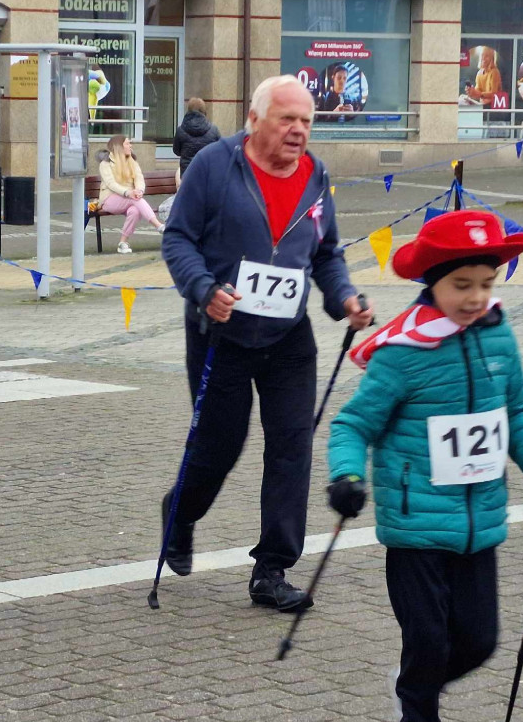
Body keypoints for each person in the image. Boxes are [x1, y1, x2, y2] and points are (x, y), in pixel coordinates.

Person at [325, 210, 523, 722]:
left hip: (479, 526)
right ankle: (417, 707)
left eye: (485, 283)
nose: (475, 297)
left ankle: (412, 688)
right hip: (415, 528)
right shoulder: (403, 353)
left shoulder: (499, 337)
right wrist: (347, 477)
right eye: (461, 284)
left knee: (479, 641)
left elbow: (516, 419)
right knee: (428, 639)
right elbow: (352, 425)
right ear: (432, 282)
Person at [160, 75, 374, 612]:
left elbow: (326, 252)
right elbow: (177, 237)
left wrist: (344, 298)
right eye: (288, 119)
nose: (299, 130)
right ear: (255, 121)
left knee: (291, 445)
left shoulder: (315, 175)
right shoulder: (214, 165)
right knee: (219, 446)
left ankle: (272, 569)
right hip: (221, 329)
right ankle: (180, 514)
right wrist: (204, 289)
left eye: (306, 120)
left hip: (288, 335)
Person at [96, 135, 164, 254]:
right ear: (119, 147)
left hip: (129, 197)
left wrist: (139, 191)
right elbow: (111, 183)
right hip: (109, 200)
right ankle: (159, 226)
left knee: (135, 211)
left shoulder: (132, 161)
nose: (130, 146)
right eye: (127, 144)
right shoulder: (105, 164)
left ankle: (122, 242)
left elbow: (139, 178)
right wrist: (128, 193)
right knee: (135, 200)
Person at [172, 98, 220, 178]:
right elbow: (220, 151)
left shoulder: (180, 130)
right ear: (204, 111)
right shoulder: (213, 130)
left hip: (187, 175)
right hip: (207, 174)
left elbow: (176, 151)